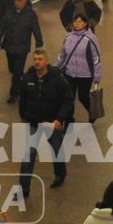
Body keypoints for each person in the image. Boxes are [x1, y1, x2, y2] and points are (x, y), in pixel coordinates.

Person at [16, 48, 74, 193]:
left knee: (56, 150)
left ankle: (60, 174)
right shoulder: (27, 78)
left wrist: (59, 119)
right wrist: (23, 115)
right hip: (33, 122)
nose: (37, 62)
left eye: (40, 59)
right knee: (28, 155)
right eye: (35, 59)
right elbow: (22, 98)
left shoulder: (57, 79)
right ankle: (24, 188)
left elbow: (68, 100)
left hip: (51, 122)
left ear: (46, 61)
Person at [0, 0, 42, 102]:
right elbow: (2, 27)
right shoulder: (8, 12)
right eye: (15, 0)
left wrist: (39, 43)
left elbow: (36, 29)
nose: (17, 3)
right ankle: (20, 82)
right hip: (9, 46)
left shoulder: (31, 14)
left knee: (17, 71)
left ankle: (14, 93)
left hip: (22, 47)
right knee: (12, 68)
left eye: (20, 0)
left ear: (25, 0)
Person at [56, 13, 103, 126]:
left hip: (85, 75)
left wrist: (97, 75)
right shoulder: (68, 37)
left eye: (80, 21)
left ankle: (91, 112)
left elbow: (96, 57)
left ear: (86, 23)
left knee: (83, 97)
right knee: (69, 98)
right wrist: (55, 67)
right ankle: (69, 120)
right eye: (75, 21)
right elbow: (62, 55)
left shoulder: (90, 39)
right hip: (69, 73)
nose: (77, 24)